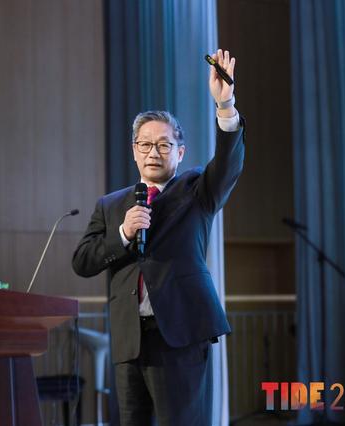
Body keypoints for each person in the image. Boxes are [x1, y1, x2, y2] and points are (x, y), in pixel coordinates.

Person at [72, 49, 244, 425]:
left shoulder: (197, 190)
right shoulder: (111, 205)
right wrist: (123, 233)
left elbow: (228, 164)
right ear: (134, 151)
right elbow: (82, 261)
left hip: (180, 335)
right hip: (130, 340)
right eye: (145, 144)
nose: (154, 152)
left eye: (164, 144)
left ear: (180, 152)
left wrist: (225, 105)